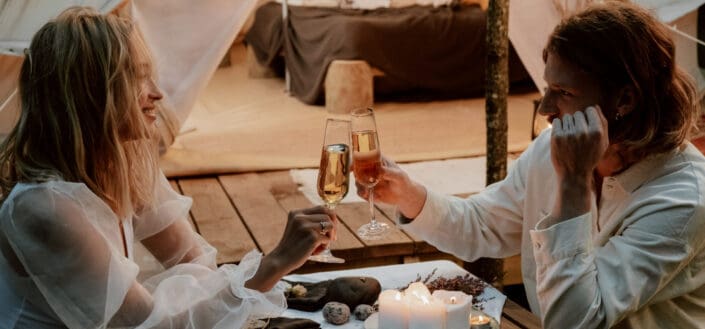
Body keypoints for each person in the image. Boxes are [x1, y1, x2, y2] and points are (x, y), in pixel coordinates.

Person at [362, 2, 705, 328]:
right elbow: (482, 225)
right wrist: (409, 195)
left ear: (625, 99)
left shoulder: (681, 199)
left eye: (563, 92)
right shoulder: (550, 149)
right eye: (546, 88)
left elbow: (574, 321)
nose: (545, 109)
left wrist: (572, 183)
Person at [0, 7, 337, 329]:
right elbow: (152, 326)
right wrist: (274, 264)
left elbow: (196, 265)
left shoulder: (124, 162)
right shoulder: (43, 207)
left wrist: (263, 280)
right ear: (89, 94)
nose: (158, 94)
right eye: (137, 78)